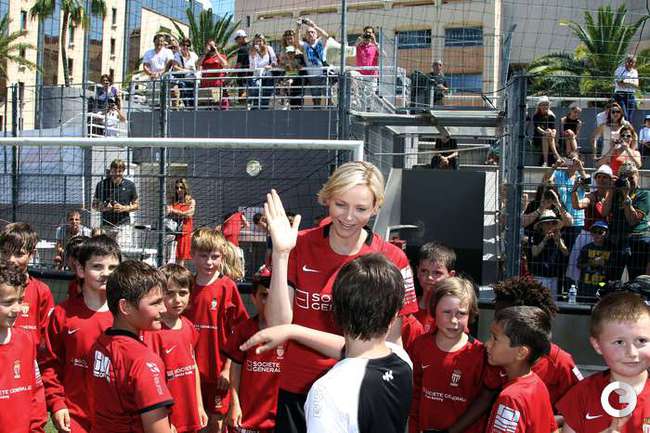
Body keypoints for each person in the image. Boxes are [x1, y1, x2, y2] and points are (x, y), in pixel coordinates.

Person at [263, 160, 417, 433]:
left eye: (361, 209)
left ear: (376, 207)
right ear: (327, 199)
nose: (348, 217)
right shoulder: (298, 245)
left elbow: (391, 341)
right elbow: (278, 325)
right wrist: (281, 253)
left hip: (360, 392)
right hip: (297, 387)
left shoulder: (392, 259)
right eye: (341, 204)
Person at [40, 235, 121, 433]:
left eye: (112, 267)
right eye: (97, 267)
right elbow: (50, 365)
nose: (106, 273)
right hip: (76, 418)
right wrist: (57, 402)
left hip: (119, 419)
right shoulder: (62, 314)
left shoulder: (127, 313)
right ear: (80, 269)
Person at [89, 261, 174, 433]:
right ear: (125, 307)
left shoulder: (101, 343)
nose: (164, 309)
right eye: (155, 303)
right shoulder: (143, 361)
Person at [557, 291, 650, 433]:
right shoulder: (582, 394)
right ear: (597, 345)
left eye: (641, 340)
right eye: (619, 342)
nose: (632, 353)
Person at [185, 228, 249, 433]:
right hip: (189, 369)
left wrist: (228, 368)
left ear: (222, 257)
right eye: (203, 256)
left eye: (215, 257)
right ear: (192, 255)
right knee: (190, 419)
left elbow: (240, 330)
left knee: (216, 420)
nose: (209, 262)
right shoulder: (185, 287)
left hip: (218, 370)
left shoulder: (227, 287)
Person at [409, 277, 486, 433]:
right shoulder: (420, 346)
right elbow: (414, 395)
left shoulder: (480, 353)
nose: (454, 320)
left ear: (470, 314)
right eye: (446, 312)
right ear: (434, 311)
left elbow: (483, 402)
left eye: (461, 313)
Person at [0, 222, 53, 433]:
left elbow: (47, 347)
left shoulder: (41, 291)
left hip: (24, 378)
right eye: (5, 252)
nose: (11, 260)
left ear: (32, 254)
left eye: (19, 253)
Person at [143, 264, 208, 433]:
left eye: (183, 293)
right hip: (166, 417)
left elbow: (193, 367)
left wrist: (199, 406)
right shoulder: (152, 332)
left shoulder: (189, 327)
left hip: (189, 411)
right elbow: (152, 380)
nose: (177, 300)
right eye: (170, 293)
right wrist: (162, 419)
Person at [223, 268, 282, 433]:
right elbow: (235, 369)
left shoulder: (291, 333)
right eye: (264, 295)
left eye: (273, 295)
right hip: (247, 419)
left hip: (278, 421)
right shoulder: (243, 331)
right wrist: (234, 404)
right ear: (253, 298)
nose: (269, 301)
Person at [485, 307, 558, 433]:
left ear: (521, 352)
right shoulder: (538, 384)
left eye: (495, 339)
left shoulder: (510, 398)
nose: (487, 344)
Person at [0, 261, 35, 433]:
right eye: (8, 303)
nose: (17, 309)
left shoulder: (26, 340)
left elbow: (36, 391)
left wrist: (36, 428)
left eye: (20, 301)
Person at [603, 161, 650, 280]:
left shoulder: (644, 194)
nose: (628, 181)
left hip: (637, 240)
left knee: (636, 279)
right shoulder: (616, 193)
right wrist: (611, 190)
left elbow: (632, 220)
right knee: (611, 279)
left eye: (631, 178)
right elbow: (604, 212)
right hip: (617, 240)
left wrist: (626, 196)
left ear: (638, 176)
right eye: (625, 178)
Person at [543, 155, 586, 282]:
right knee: (559, 254)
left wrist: (581, 168)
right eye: (570, 160)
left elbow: (588, 185)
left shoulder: (581, 176)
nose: (572, 164)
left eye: (575, 161)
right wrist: (554, 166)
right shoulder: (559, 174)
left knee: (572, 255)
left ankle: (570, 285)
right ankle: (557, 283)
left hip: (577, 221)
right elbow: (546, 180)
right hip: (560, 220)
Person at [568, 163, 613, 283]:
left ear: (610, 180)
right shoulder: (592, 196)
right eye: (599, 177)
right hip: (588, 236)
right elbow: (577, 205)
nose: (601, 180)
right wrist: (574, 190)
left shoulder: (614, 196)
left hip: (606, 239)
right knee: (579, 271)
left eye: (605, 177)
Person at [92, 159, 139, 249]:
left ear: (123, 171)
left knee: (122, 250)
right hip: (106, 225)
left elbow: (136, 205)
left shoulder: (130, 185)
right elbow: (94, 205)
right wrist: (104, 207)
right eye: (114, 171)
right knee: (106, 250)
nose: (117, 174)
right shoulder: (101, 185)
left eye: (119, 171)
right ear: (110, 171)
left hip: (123, 225)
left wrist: (124, 208)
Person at [413, 241, 456, 333]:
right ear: (417, 272)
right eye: (424, 271)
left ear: (450, 275)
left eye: (437, 273)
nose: (429, 277)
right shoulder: (408, 308)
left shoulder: (455, 312)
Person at [527, 209, 569, 297]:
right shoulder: (536, 236)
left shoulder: (558, 236)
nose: (550, 226)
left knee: (552, 301)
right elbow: (534, 253)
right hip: (539, 275)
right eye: (547, 223)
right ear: (541, 225)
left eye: (553, 223)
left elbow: (565, 252)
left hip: (554, 276)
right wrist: (545, 240)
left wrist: (558, 240)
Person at [298, 18, 330, 107]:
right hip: (312, 77)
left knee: (329, 96)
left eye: (312, 32)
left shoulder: (320, 42)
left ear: (316, 34)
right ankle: (317, 109)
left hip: (324, 74)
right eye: (308, 33)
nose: (310, 34)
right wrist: (298, 28)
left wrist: (314, 26)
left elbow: (326, 36)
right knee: (316, 98)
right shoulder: (305, 45)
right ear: (306, 36)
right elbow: (296, 42)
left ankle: (330, 109)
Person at [577, 220, 612, 297]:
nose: (597, 234)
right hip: (586, 286)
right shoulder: (586, 248)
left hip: (603, 285)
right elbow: (579, 265)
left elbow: (615, 268)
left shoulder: (611, 249)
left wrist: (604, 264)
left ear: (606, 234)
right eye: (594, 231)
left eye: (600, 232)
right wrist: (591, 262)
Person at [166, 178, 195, 266]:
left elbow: (190, 214)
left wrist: (175, 211)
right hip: (173, 231)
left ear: (185, 189)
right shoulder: (173, 201)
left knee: (180, 259)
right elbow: (168, 212)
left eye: (181, 188)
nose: (179, 190)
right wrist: (183, 213)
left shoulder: (191, 201)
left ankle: (180, 274)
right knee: (170, 258)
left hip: (184, 231)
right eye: (177, 188)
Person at [248, 33, 278, 109]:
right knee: (256, 94)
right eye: (256, 41)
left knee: (266, 97)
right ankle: (255, 111)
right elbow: (252, 68)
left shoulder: (269, 48)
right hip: (257, 76)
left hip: (268, 75)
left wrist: (270, 66)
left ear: (263, 41)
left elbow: (275, 61)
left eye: (260, 40)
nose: (258, 43)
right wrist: (253, 56)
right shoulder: (252, 51)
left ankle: (264, 111)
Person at [199, 39, 229, 109]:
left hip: (216, 86)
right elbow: (198, 64)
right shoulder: (204, 57)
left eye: (212, 45)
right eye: (209, 46)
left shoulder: (221, 56)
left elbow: (225, 64)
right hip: (205, 86)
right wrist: (205, 53)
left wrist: (216, 52)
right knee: (206, 106)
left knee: (216, 104)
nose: (211, 47)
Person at [532, 96, 561, 167]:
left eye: (547, 105)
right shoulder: (536, 116)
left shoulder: (551, 116)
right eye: (543, 105)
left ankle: (545, 162)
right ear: (539, 106)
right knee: (546, 134)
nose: (545, 106)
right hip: (538, 137)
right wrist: (545, 133)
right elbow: (537, 128)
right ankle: (556, 155)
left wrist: (553, 133)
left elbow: (553, 128)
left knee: (549, 132)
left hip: (549, 137)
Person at [170, 38, 199, 109]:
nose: (185, 47)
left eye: (187, 45)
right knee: (185, 94)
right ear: (180, 45)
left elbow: (198, 65)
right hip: (183, 80)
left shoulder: (193, 55)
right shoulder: (177, 55)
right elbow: (175, 67)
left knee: (194, 98)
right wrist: (186, 70)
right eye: (183, 45)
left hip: (193, 80)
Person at [278, 44, 305, 109]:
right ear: (286, 54)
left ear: (294, 53)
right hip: (287, 76)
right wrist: (285, 66)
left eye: (292, 53)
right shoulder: (285, 61)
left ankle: (289, 98)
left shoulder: (296, 60)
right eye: (289, 53)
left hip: (294, 76)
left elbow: (300, 67)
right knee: (282, 85)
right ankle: (282, 99)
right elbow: (281, 66)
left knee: (289, 83)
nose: (290, 55)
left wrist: (295, 66)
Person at [613, 54, 639, 122]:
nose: (630, 63)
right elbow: (619, 83)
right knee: (624, 116)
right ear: (625, 62)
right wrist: (630, 83)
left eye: (632, 62)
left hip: (631, 96)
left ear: (634, 63)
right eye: (629, 61)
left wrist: (626, 82)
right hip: (620, 95)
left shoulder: (635, 72)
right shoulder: (619, 70)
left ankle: (627, 128)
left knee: (629, 118)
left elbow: (636, 85)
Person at [233, 29, 250, 102]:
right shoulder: (250, 47)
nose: (236, 42)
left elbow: (239, 65)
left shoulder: (242, 49)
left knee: (243, 101)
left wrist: (230, 76)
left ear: (240, 38)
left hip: (243, 78)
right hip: (250, 77)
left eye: (236, 39)